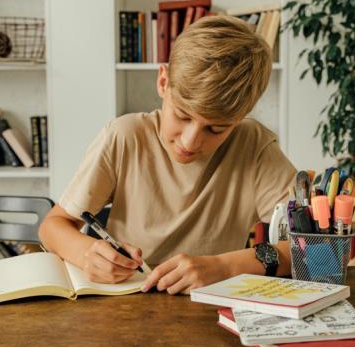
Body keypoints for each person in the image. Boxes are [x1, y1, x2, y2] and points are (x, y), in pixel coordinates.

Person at [38, 15, 297, 294]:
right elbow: (52, 227)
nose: (190, 141)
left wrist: (225, 267)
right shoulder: (124, 137)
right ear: (163, 81)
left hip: (210, 308)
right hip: (125, 301)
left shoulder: (254, 146)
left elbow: (314, 247)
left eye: (216, 128)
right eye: (182, 116)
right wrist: (85, 251)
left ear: (241, 117)